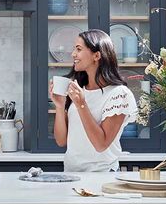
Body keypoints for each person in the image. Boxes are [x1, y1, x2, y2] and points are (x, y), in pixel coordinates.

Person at [49, 29, 137, 173]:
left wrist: (81, 105)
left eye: (78, 49)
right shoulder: (80, 90)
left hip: (102, 177)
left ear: (96, 55)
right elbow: (61, 141)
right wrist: (59, 106)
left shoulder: (119, 94)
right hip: (71, 175)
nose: (73, 54)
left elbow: (101, 144)